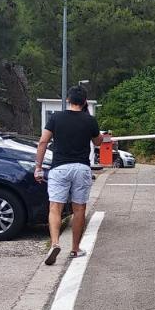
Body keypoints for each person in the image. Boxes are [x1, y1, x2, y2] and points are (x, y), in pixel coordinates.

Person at [34, 86, 105, 265]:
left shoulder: (56, 118)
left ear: (68, 100)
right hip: (81, 168)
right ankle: (75, 249)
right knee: (79, 209)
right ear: (84, 102)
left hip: (59, 168)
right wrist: (95, 128)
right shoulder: (90, 120)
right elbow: (98, 142)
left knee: (55, 207)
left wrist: (38, 167)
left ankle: (55, 243)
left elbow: (43, 141)